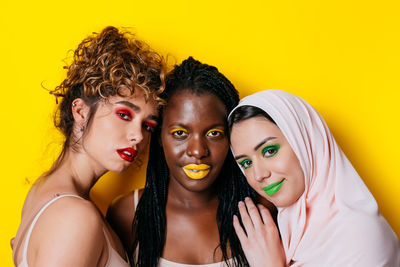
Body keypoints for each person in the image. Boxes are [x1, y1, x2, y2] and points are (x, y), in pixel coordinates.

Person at [12, 26, 165, 267]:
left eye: (148, 126)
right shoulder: (74, 217)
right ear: (81, 112)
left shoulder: (45, 191)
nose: (138, 136)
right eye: (124, 115)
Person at [107, 57, 269, 266]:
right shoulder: (128, 214)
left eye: (213, 133)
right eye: (180, 133)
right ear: (159, 136)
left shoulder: (260, 210)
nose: (197, 151)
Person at [228, 89, 400, 266]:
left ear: (306, 143)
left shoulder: (360, 235)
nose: (259, 175)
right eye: (246, 163)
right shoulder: (286, 233)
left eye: (270, 151)